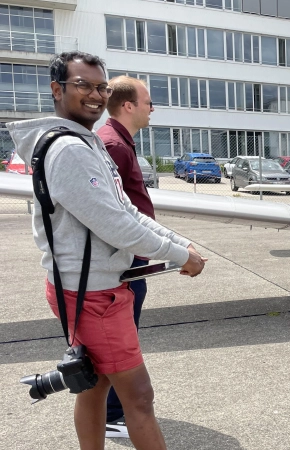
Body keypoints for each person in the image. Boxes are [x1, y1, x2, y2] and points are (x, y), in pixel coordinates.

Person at [7, 51, 206, 450]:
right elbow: (117, 226)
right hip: (93, 294)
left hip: (89, 286)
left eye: (101, 87)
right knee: (140, 397)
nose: (95, 94)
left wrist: (177, 243)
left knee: (92, 384)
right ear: (57, 89)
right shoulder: (70, 150)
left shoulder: (88, 142)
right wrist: (180, 256)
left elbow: (125, 209)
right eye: (83, 84)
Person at [96, 75, 156, 438]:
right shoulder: (114, 145)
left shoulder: (118, 142)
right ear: (129, 105)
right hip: (125, 260)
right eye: (148, 102)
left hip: (132, 255)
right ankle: (115, 413)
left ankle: (112, 409)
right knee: (120, 340)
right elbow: (116, 213)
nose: (152, 109)